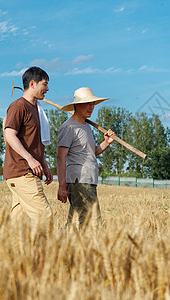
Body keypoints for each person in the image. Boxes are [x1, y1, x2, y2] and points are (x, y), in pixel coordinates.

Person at [3, 66, 53, 233]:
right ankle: (45, 256)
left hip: (23, 172)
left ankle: (11, 255)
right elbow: (9, 135)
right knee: (44, 217)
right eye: (44, 84)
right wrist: (30, 160)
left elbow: (33, 142)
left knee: (18, 223)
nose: (47, 89)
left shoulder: (36, 109)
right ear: (32, 84)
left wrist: (44, 164)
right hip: (23, 171)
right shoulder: (18, 106)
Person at [57, 87, 115, 228]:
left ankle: (61, 245)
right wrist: (62, 186)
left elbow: (90, 153)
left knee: (76, 223)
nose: (91, 107)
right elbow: (60, 157)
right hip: (79, 180)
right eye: (88, 103)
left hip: (89, 179)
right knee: (92, 223)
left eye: (93, 104)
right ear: (77, 105)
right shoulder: (69, 127)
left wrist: (106, 143)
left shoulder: (86, 127)